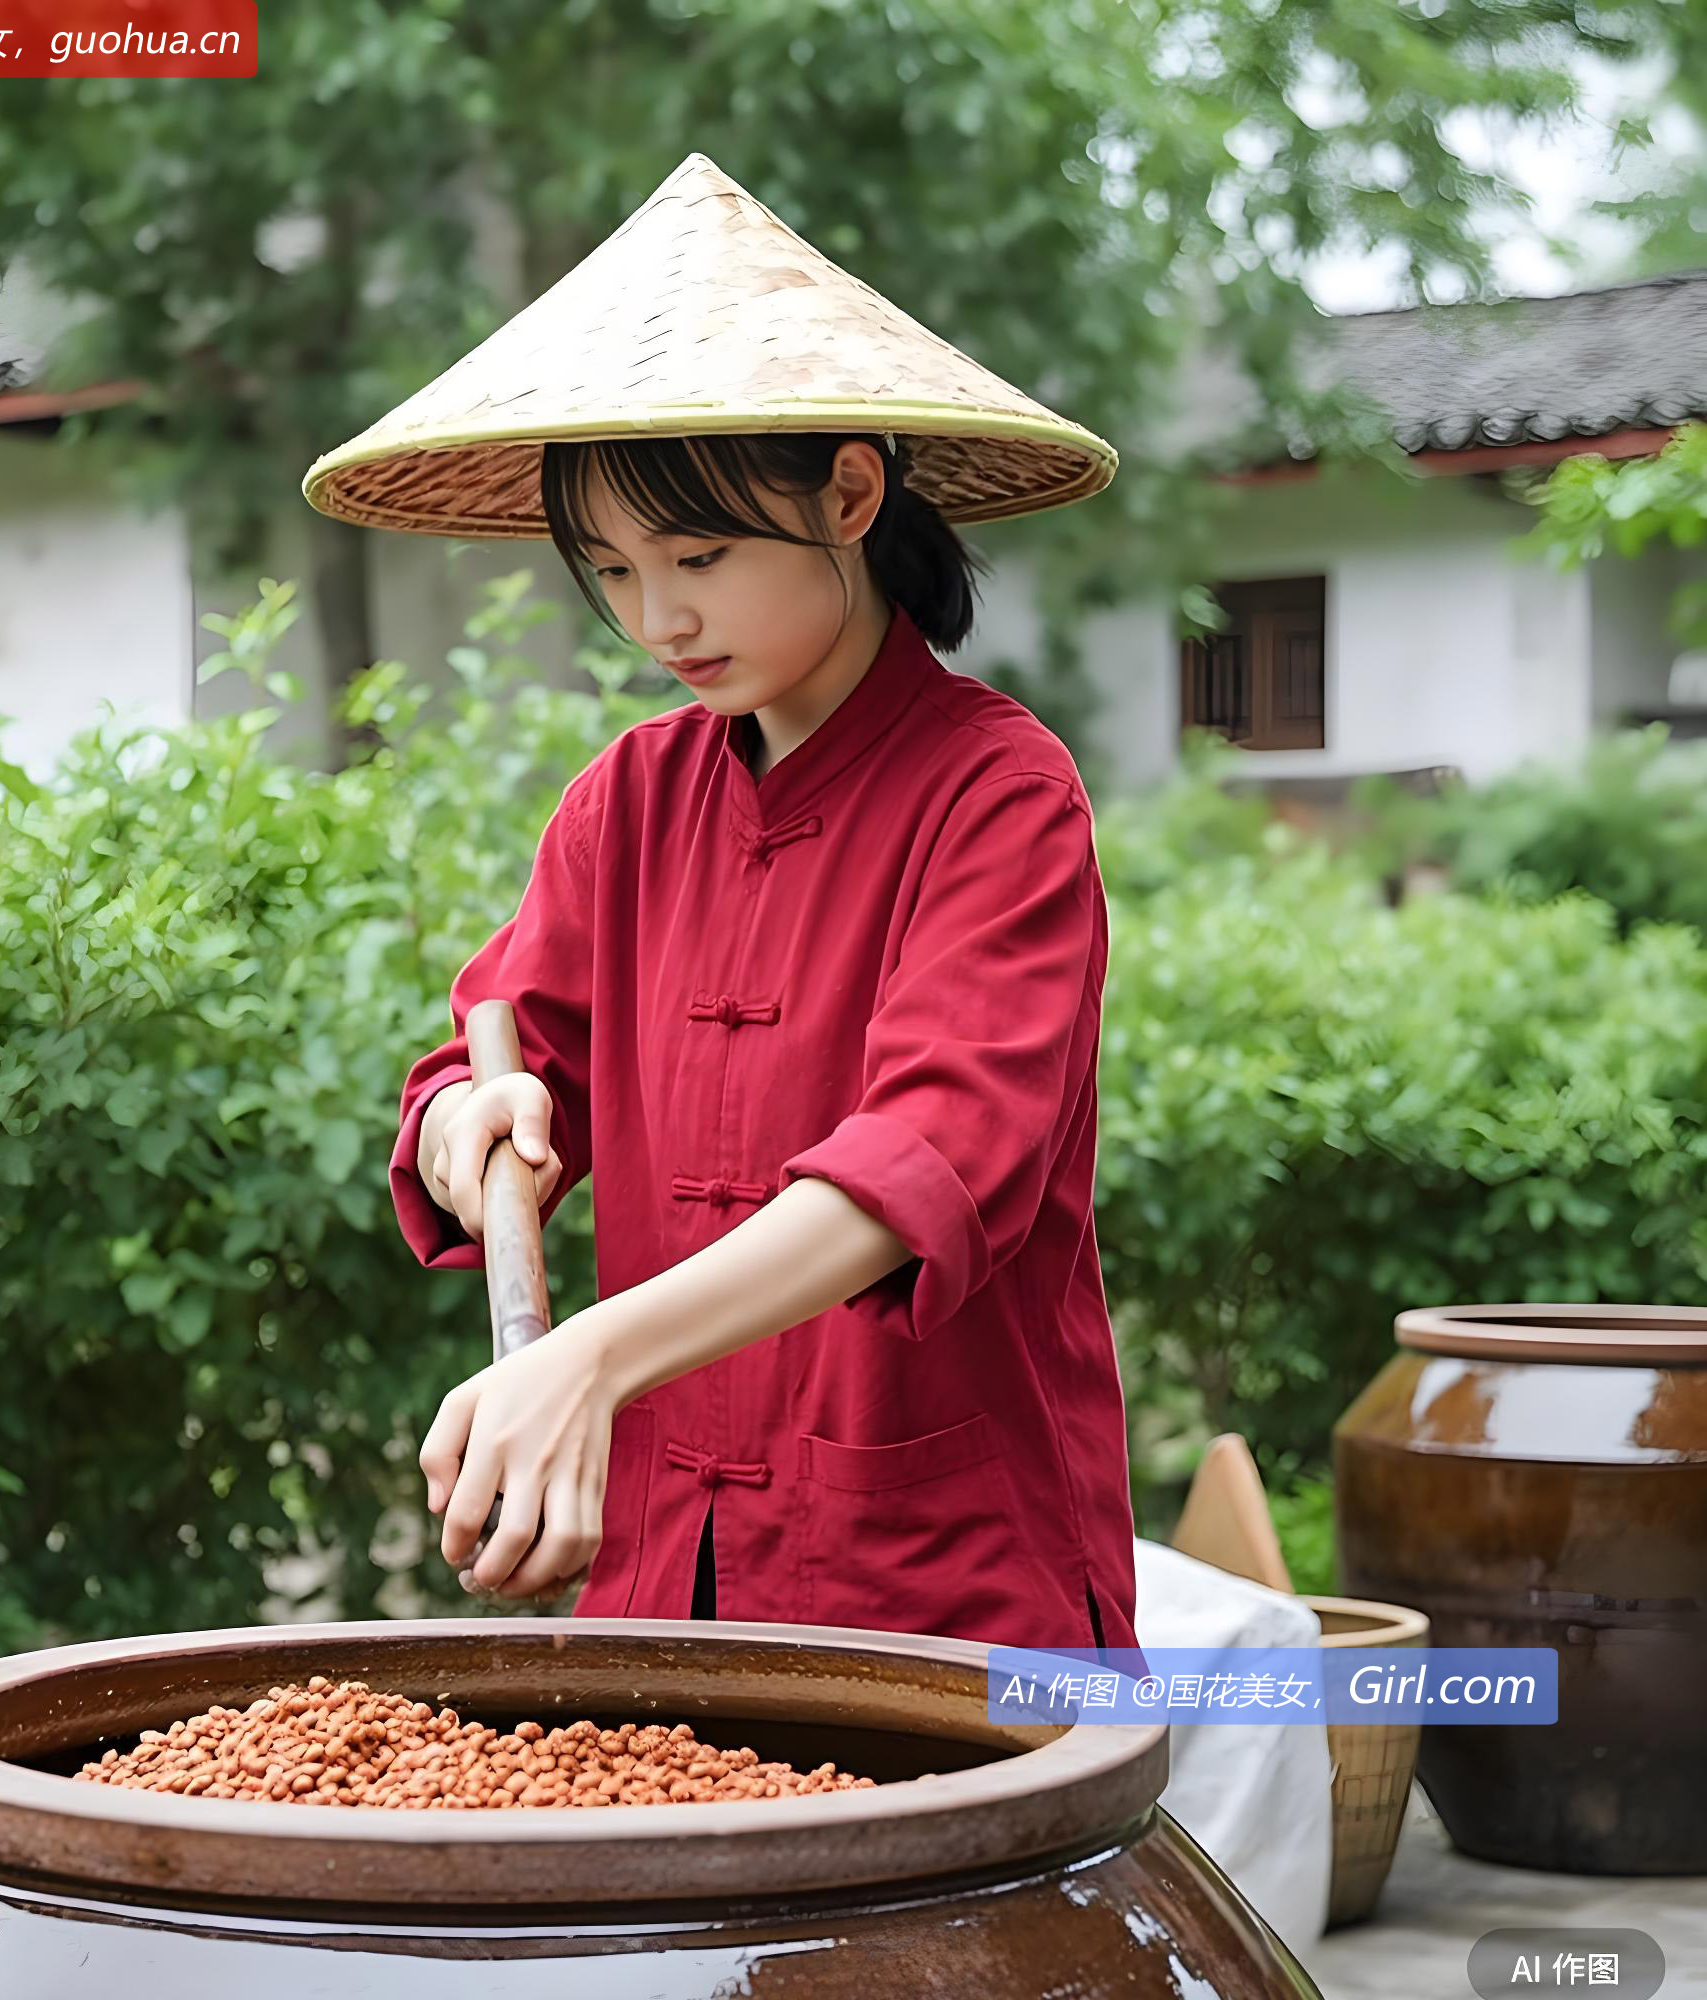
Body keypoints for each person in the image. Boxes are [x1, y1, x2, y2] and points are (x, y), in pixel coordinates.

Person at [303, 151, 1137, 1653]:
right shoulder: (625, 802)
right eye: (611, 569)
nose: (656, 618)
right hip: (664, 1575)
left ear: (852, 491)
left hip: (940, 1583)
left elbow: (931, 1157)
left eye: (700, 555)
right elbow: (492, 1051)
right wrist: (461, 1134)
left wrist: (589, 1361)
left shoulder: (1001, 795)